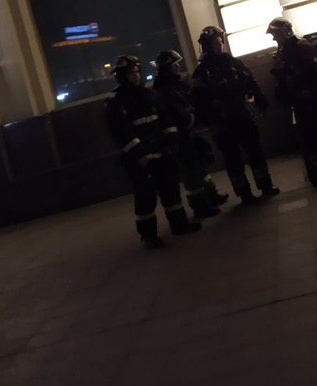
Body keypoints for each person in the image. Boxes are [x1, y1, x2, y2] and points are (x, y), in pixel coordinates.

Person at [105, 54, 202, 248]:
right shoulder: (116, 101)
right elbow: (121, 132)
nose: (136, 76)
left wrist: (171, 142)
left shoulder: (150, 94)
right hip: (140, 159)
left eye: (137, 72)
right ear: (122, 76)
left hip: (161, 152)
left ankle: (179, 224)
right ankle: (148, 236)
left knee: (171, 190)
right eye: (131, 73)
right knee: (146, 197)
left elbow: (165, 120)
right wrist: (140, 154)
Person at [192, 25, 280, 204]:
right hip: (222, 122)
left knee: (255, 151)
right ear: (207, 45)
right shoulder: (201, 72)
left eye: (220, 41)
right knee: (233, 159)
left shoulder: (232, 62)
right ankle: (244, 193)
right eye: (216, 42)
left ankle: (265, 185)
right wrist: (211, 123)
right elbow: (199, 102)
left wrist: (261, 100)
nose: (220, 45)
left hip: (242, 115)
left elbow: (250, 81)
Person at [267, 17, 317, 188]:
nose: (274, 39)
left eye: (276, 35)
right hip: (299, 102)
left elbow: (314, 71)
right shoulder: (282, 52)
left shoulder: (301, 46)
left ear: (285, 32)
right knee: (310, 139)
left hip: (312, 99)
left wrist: (297, 79)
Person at [153, 49, 229, 220]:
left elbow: (190, 102)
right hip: (180, 136)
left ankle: (211, 195)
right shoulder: (165, 90)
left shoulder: (175, 84)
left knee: (200, 164)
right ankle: (200, 206)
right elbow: (178, 113)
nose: (178, 67)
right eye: (174, 65)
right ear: (166, 68)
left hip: (188, 133)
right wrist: (191, 117)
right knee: (192, 171)